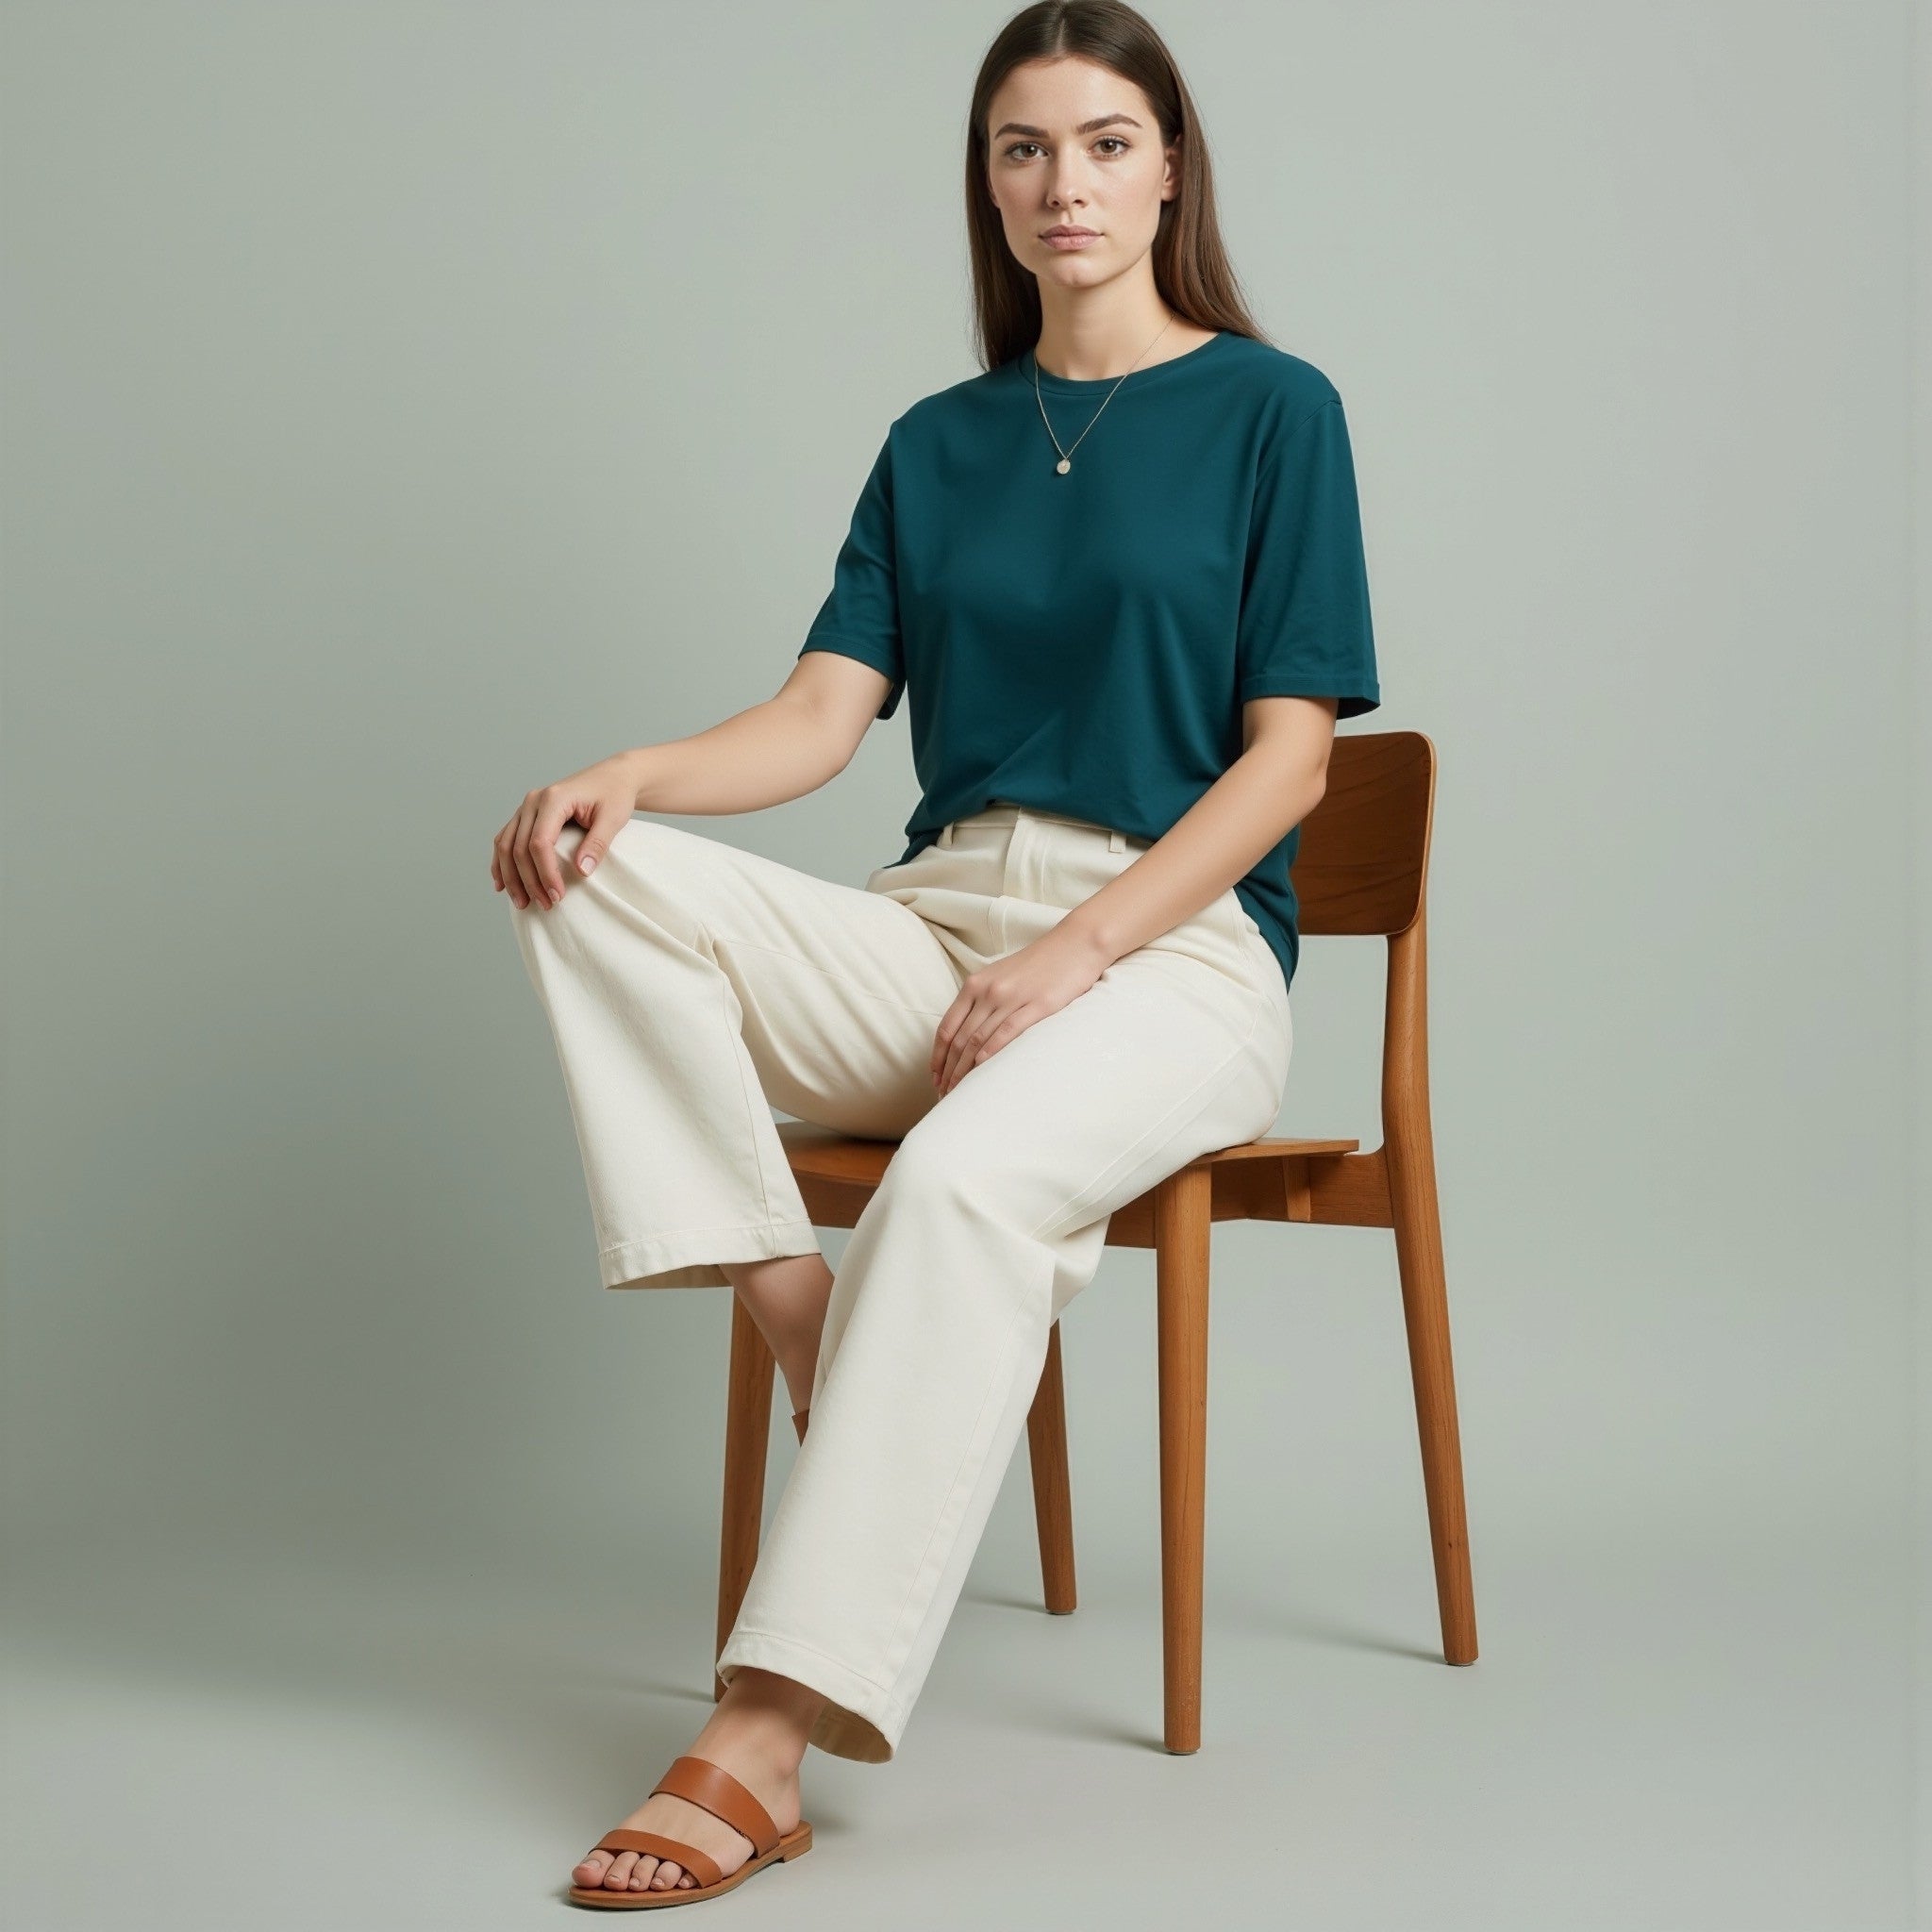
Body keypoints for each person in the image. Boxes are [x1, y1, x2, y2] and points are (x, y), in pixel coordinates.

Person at [492, 1, 1379, 1908]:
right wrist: (637, 773)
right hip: (933, 930)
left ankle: (762, 1727)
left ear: (1168, 169)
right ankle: (794, 1301)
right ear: (986, 185)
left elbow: (1292, 755)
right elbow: (824, 720)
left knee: (967, 1182)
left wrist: (1084, 947)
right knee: (589, 872)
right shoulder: (937, 440)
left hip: (1176, 955)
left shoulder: (1272, 412)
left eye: (1104, 140)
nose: (1063, 183)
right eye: (1020, 148)